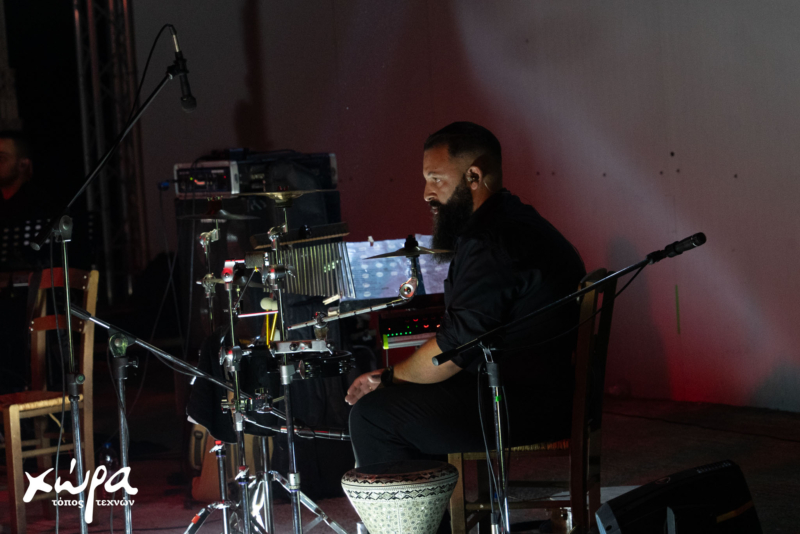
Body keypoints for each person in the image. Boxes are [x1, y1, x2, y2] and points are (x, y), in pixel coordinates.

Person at [346, 122, 586, 470]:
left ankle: (419, 509)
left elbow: (453, 351)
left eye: (436, 179)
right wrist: (394, 380)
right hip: (538, 394)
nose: (426, 193)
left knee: (373, 417)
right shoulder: (515, 220)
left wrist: (387, 378)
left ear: (474, 176)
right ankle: (430, 504)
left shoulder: (490, 241)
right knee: (402, 400)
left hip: (522, 404)